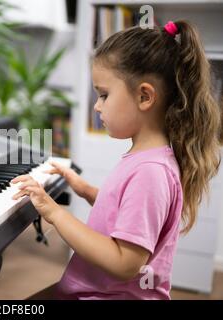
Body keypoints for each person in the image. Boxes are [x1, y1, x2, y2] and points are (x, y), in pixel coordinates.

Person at [12, 21, 221, 299]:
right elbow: (125, 213)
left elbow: (125, 263)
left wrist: (55, 212)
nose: (97, 105)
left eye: (104, 95)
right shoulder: (147, 159)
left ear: (145, 96)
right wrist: (85, 190)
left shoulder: (151, 172)